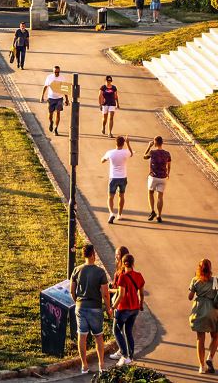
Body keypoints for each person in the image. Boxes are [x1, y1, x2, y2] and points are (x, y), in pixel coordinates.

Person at [70, 243, 112, 375]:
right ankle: (101, 364)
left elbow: (72, 291)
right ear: (93, 254)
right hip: (95, 307)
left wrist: (77, 301)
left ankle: (84, 366)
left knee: (82, 336)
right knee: (98, 337)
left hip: (80, 307)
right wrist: (109, 309)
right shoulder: (100, 272)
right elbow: (105, 294)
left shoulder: (77, 270)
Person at [111, 253, 145, 367]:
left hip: (124, 308)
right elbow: (141, 293)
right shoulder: (139, 275)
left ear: (122, 263)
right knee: (128, 331)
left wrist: (112, 307)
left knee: (116, 330)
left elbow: (121, 295)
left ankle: (124, 355)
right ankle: (130, 357)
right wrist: (140, 304)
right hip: (135, 308)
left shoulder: (122, 277)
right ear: (133, 263)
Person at [188, 259, 218, 374]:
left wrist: (194, 288)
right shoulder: (215, 280)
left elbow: (190, 297)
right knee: (215, 336)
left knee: (200, 339)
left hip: (199, 311)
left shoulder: (195, 280)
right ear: (210, 268)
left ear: (199, 268)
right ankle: (210, 358)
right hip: (213, 312)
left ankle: (201, 366)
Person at [102, 135, 133, 224]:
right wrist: (128, 143)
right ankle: (119, 214)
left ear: (115, 143)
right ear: (123, 143)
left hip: (113, 177)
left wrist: (105, 159)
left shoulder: (110, 153)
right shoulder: (126, 152)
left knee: (111, 197)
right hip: (123, 177)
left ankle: (111, 213)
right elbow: (131, 154)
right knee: (121, 196)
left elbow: (102, 160)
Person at [144, 135, 171, 222]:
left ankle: (152, 211)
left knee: (150, 193)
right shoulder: (167, 154)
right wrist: (168, 174)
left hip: (153, 177)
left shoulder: (152, 152)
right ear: (162, 143)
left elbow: (144, 156)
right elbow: (169, 165)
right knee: (160, 196)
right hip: (163, 177)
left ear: (155, 143)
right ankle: (159, 215)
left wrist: (149, 146)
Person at [40, 65, 69, 135]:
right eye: (55, 72)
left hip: (59, 98)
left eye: (58, 72)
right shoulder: (49, 77)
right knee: (50, 114)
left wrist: (67, 99)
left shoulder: (62, 78)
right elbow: (45, 87)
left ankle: (56, 128)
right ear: (53, 72)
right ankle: (51, 122)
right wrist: (42, 96)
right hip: (51, 98)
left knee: (58, 112)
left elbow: (64, 89)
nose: (57, 73)